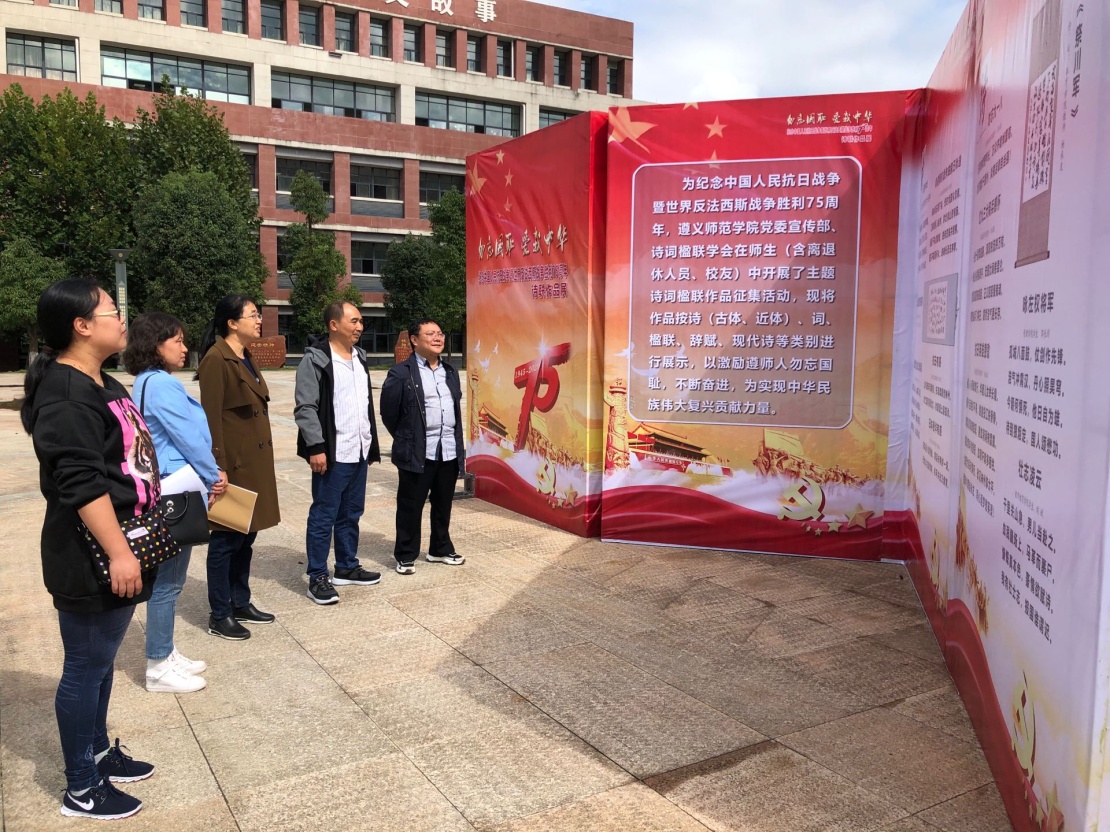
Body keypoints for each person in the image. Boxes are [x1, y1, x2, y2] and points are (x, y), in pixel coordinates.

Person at [21, 279, 157, 820]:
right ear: (81, 326)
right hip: (89, 555)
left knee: (101, 664)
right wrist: (120, 552)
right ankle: (81, 786)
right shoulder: (65, 393)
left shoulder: (103, 381)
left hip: (121, 543)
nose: (122, 319)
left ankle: (99, 753)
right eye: (111, 311)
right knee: (84, 666)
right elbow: (80, 483)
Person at [124, 313, 228, 692]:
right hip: (176, 487)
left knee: (170, 579)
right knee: (168, 581)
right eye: (178, 341)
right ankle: (158, 665)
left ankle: (165, 652)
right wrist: (213, 474)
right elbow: (186, 436)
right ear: (156, 345)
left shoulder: (146, 381)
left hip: (166, 483)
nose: (185, 348)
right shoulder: (162, 384)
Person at [196, 295, 280, 640]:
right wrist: (217, 466)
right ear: (232, 323)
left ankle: (240, 601)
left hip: (253, 465)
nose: (259, 321)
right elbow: (211, 418)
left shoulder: (245, 355)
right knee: (226, 541)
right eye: (253, 315)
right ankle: (220, 614)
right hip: (234, 466)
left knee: (247, 538)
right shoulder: (217, 359)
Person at [294, 301, 382, 604]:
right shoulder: (316, 360)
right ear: (334, 325)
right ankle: (317, 576)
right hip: (333, 453)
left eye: (361, 322)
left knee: (351, 513)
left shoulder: (360, 357)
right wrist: (316, 447)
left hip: (359, 449)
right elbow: (306, 407)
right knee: (324, 515)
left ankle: (346, 566)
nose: (359, 327)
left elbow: (364, 406)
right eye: (353, 321)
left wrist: (370, 445)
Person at [379, 319, 466, 574]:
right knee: (411, 504)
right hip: (417, 451)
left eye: (440, 333)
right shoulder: (400, 373)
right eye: (430, 334)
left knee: (443, 502)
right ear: (414, 340)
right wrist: (407, 438)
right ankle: (406, 554)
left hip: (447, 448)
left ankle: (440, 548)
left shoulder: (450, 371)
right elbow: (389, 414)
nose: (438, 338)